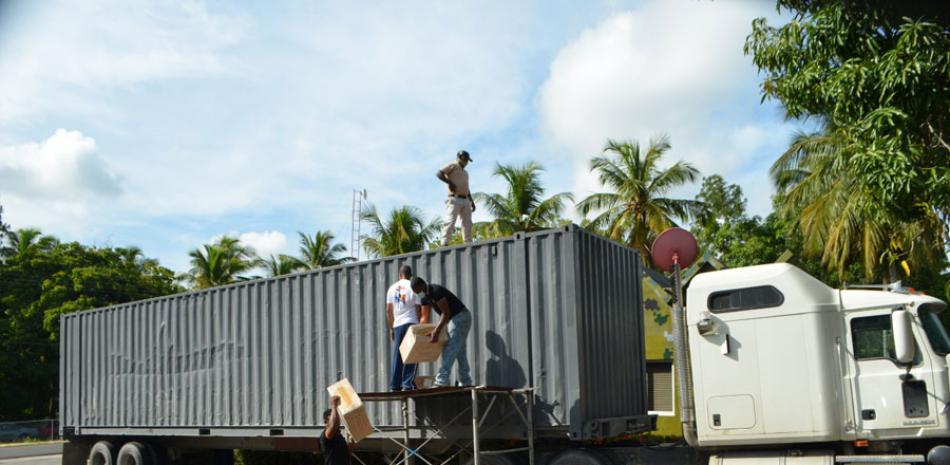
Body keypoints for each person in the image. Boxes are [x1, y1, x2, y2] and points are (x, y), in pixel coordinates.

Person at [410, 277, 473, 387]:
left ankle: (441, 381)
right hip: (455, 319)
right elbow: (424, 317)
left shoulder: (436, 291)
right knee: (459, 350)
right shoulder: (425, 297)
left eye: (417, 291)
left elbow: (446, 313)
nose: (417, 294)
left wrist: (437, 331)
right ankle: (465, 381)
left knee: (449, 349)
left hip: (460, 317)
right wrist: (422, 334)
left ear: (422, 285)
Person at [386, 265, 426, 391]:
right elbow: (418, 308)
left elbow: (388, 310)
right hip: (411, 322)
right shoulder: (412, 286)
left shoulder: (392, 289)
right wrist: (419, 324)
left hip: (398, 325)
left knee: (397, 355)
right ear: (410, 275)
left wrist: (391, 328)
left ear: (400, 274)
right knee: (411, 353)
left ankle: (395, 385)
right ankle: (407, 384)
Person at [437, 150, 476, 246]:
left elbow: (467, 187)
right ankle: (444, 242)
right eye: (465, 159)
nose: (466, 162)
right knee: (450, 220)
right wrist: (449, 182)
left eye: (467, 160)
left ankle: (468, 242)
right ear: (460, 158)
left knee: (467, 223)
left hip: (465, 199)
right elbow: (439, 173)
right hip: (455, 198)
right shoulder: (453, 165)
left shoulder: (465, 173)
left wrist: (472, 201)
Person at [321, 395, 351, 465]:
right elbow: (334, 425)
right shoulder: (326, 434)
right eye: (332, 418)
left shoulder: (339, 436)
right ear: (326, 422)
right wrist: (334, 406)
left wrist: (353, 436)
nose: (337, 419)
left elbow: (348, 453)